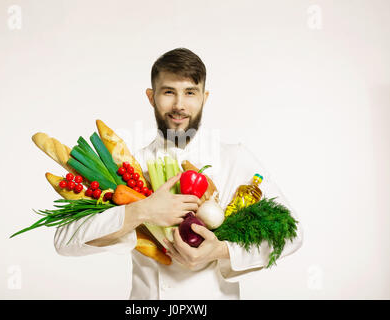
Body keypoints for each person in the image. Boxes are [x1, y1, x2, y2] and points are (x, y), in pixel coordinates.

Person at [54, 48, 303, 299]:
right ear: (151, 97)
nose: (179, 105)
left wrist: (221, 250)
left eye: (190, 92)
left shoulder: (234, 158)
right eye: (168, 92)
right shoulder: (131, 168)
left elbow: (293, 234)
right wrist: (144, 210)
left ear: (204, 97)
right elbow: (64, 242)